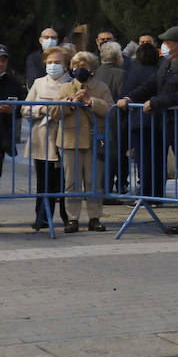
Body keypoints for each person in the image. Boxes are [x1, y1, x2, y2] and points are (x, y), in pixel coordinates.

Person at [52, 51, 114, 232]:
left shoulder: (101, 87)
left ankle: (95, 217)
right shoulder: (65, 88)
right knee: (72, 182)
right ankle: (73, 218)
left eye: (84, 66)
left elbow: (110, 110)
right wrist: (70, 103)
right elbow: (55, 113)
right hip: (70, 141)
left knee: (94, 181)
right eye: (77, 66)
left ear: (92, 69)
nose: (80, 70)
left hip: (96, 140)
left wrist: (90, 101)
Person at [22, 46, 73, 230]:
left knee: (65, 182)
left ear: (66, 64)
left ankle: (68, 217)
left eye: (57, 62)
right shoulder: (38, 83)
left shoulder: (72, 84)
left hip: (65, 137)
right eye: (50, 62)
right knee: (43, 181)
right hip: (42, 138)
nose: (53, 65)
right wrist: (41, 109)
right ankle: (42, 218)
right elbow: (25, 109)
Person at [123, 40, 165, 201]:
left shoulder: (134, 71)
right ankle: (158, 193)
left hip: (139, 120)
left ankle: (146, 193)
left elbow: (127, 92)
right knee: (158, 157)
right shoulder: (160, 70)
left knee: (143, 158)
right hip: (159, 119)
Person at [94, 41, 129, 199]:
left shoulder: (95, 72)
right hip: (114, 122)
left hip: (97, 121)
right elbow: (122, 95)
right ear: (117, 56)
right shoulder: (121, 74)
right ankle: (107, 190)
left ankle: (99, 187)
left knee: (100, 154)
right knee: (112, 156)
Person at [0, 45, 24, 182]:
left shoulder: (13, 83)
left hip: (3, 134)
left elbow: (22, 108)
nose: (1, 64)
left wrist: (13, 110)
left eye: (3, 60)